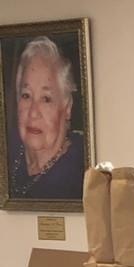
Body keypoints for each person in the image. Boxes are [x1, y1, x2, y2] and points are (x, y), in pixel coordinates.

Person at [7, 36, 87, 201]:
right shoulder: (8, 149)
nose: (33, 113)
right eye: (26, 95)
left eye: (46, 99)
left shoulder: (80, 173)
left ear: (67, 107)